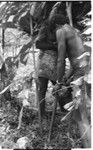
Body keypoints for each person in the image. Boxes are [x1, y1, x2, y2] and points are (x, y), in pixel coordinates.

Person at [49, 13, 91, 148]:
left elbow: (61, 60)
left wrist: (59, 82)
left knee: (80, 117)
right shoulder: (74, 30)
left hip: (81, 72)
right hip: (86, 69)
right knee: (83, 114)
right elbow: (77, 59)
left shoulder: (61, 31)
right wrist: (66, 78)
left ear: (55, 25)